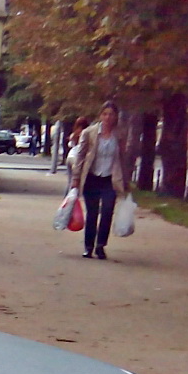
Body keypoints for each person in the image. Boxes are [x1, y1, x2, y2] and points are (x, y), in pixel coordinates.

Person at [73, 102, 129, 258]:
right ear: (100, 115)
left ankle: (100, 245)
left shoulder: (120, 134)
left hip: (110, 180)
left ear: (116, 116)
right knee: (92, 213)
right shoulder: (89, 133)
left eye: (111, 114)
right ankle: (88, 246)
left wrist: (125, 180)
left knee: (107, 212)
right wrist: (76, 178)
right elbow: (81, 156)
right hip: (92, 177)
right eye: (105, 114)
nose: (108, 117)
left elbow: (123, 158)